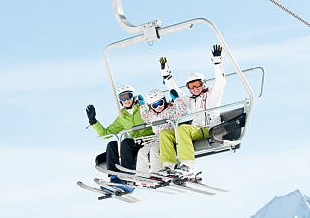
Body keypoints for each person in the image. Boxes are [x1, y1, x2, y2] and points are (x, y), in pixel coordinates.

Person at [158, 44, 228, 176]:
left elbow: (221, 81)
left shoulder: (212, 95)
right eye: (191, 86)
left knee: (183, 128)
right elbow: (176, 92)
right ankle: (168, 167)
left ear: (203, 83)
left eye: (198, 84)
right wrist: (166, 75)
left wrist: (217, 61)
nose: (195, 88)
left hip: (209, 128)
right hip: (196, 130)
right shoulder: (192, 101)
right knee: (165, 133)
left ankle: (187, 166)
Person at [85, 85, 153, 188]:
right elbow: (106, 134)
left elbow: (154, 116)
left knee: (125, 142)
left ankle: (128, 176)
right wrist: (93, 122)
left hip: (148, 141)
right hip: (135, 145)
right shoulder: (122, 117)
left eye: (128, 96)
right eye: (122, 98)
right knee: (112, 144)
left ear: (134, 97)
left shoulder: (144, 108)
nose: (126, 100)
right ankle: (114, 177)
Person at [137, 88, 187, 175]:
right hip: (157, 139)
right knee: (142, 151)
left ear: (164, 101)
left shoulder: (171, 111)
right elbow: (145, 118)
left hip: (168, 138)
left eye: (160, 103)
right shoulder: (152, 115)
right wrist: (142, 106)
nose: (158, 107)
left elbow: (182, 112)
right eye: (154, 105)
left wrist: (176, 99)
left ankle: (157, 172)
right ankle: (141, 174)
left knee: (154, 149)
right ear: (151, 106)